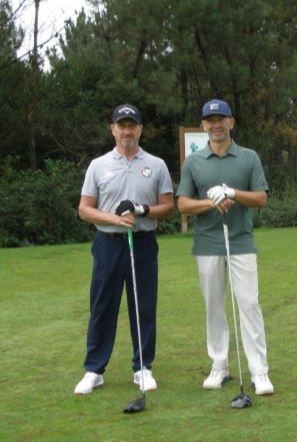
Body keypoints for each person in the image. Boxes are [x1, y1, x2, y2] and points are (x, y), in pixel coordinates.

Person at [75, 103, 174, 395]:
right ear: (113, 129)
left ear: (140, 129)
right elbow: (84, 209)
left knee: (143, 305)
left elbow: (168, 207)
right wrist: (113, 218)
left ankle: (142, 367)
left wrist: (142, 211)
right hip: (107, 244)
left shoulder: (156, 165)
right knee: (102, 306)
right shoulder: (98, 165)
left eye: (132, 125)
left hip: (142, 243)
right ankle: (94, 369)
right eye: (122, 125)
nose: (127, 131)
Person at [176, 99, 274, 395]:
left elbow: (261, 198)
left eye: (222, 119)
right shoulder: (193, 162)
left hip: (241, 240)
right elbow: (182, 203)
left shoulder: (248, 157)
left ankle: (259, 371)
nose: (216, 125)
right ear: (203, 125)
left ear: (231, 122)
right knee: (214, 306)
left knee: (248, 304)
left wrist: (232, 192)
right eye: (210, 120)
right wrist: (212, 201)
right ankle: (219, 365)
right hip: (207, 244)